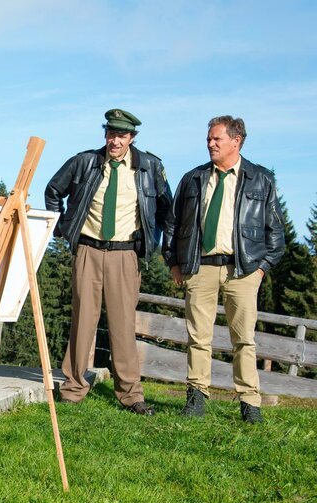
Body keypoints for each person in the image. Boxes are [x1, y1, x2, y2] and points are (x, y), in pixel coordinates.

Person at [45, 109, 172, 415]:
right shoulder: (84, 162)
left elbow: (167, 211)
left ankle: (130, 394)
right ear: (105, 134)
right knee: (82, 322)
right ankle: (73, 388)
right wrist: (62, 226)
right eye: (111, 134)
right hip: (88, 251)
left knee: (123, 325)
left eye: (122, 135)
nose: (115, 141)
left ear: (132, 138)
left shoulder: (150, 167)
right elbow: (53, 190)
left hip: (125, 255)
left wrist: (155, 246)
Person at [163, 116, 284, 423]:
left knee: (243, 339)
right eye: (208, 139)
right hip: (199, 269)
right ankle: (196, 398)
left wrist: (261, 269)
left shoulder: (261, 179)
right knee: (197, 337)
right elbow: (173, 224)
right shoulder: (192, 178)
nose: (210, 143)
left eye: (217, 139)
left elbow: (276, 233)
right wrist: (174, 262)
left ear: (236, 140)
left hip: (242, 271)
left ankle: (249, 403)